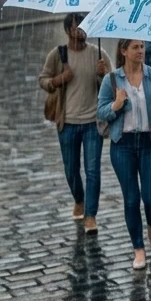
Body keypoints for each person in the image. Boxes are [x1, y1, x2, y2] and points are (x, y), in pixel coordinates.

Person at [39, 15, 111, 234]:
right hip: (67, 122)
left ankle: (91, 215)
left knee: (93, 171)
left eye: (84, 27)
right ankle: (79, 199)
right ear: (68, 31)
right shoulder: (58, 55)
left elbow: (114, 84)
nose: (81, 31)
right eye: (77, 27)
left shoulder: (99, 54)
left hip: (92, 123)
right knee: (71, 170)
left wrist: (104, 75)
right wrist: (60, 79)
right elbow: (43, 80)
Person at [98, 39, 151, 270]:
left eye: (142, 47)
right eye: (135, 47)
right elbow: (101, 111)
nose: (140, 51)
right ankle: (138, 248)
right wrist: (116, 105)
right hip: (123, 144)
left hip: (149, 142)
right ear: (123, 51)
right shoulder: (112, 80)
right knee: (131, 199)